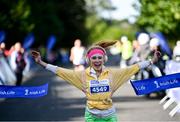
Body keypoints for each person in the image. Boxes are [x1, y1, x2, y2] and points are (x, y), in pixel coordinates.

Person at [31, 40, 160, 122]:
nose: (97, 60)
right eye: (94, 58)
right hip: (91, 116)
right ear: (89, 60)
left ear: (104, 59)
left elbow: (134, 67)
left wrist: (152, 61)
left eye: (99, 58)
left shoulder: (113, 74)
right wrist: (41, 62)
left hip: (109, 115)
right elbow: (60, 71)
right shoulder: (82, 75)